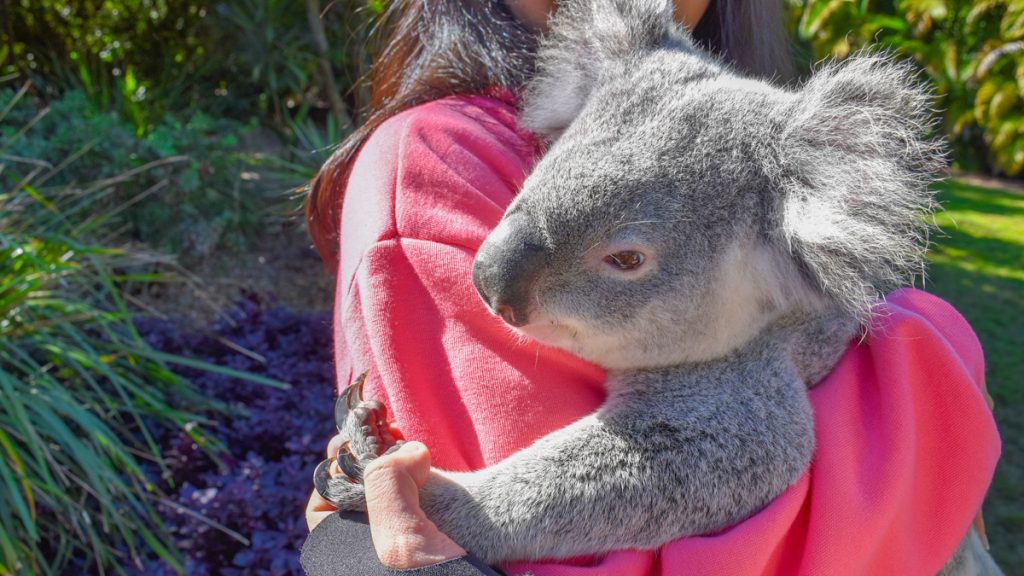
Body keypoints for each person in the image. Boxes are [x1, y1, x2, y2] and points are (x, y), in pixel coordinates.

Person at [301, 1, 1001, 574]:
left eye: (626, 259)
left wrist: (448, 514)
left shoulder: (758, 180)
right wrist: (926, 374)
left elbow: (721, 447)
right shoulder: (442, 164)